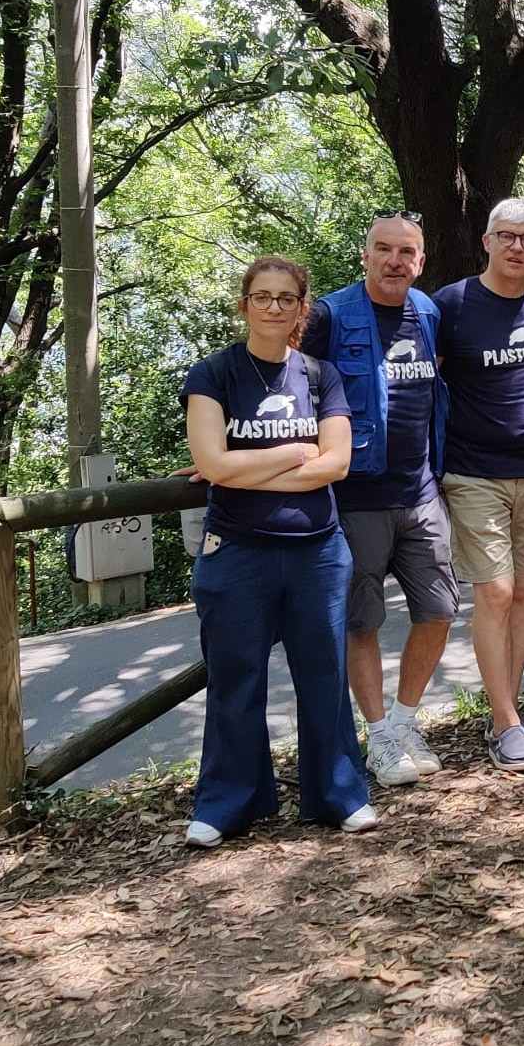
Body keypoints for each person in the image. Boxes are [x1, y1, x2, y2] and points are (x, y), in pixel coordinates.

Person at [180, 255, 373, 847]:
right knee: (236, 678)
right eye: (261, 297)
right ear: (244, 305)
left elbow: (336, 463)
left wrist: (246, 470)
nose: (273, 308)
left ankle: (339, 794)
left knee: (325, 676)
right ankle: (227, 804)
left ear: (300, 308)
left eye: (285, 298)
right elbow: (212, 465)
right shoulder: (212, 374)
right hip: (236, 552)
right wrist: (295, 453)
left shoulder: (320, 376)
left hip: (317, 552)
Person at [301, 212, 457, 788]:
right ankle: (379, 735)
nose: (395, 261)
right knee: (361, 620)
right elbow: (286, 381)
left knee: (439, 610)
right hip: (354, 498)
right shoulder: (330, 316)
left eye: (407, 252)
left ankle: (403, 721)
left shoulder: (429, 312)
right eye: (384, 249)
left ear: (420, 262)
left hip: (420, 492)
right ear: (365, 254)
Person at [434, 199, 524, 772]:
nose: (516, 246)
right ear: (486, 242)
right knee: (496, 592)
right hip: (473, 471)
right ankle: (508, 724)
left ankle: (504, 713)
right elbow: (416, 380)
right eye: (506, 236)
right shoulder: (452, 305)